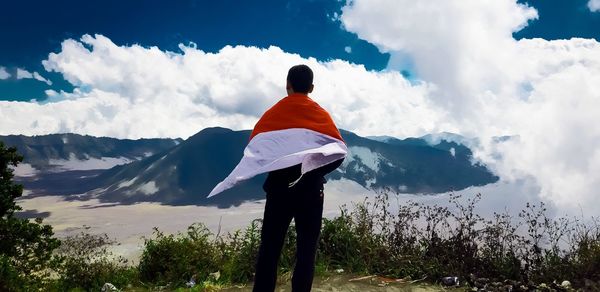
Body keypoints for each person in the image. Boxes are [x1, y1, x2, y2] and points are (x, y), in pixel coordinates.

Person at [251, 65, 344, 292]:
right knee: (306, 252)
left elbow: (257, 147)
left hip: (278, 190)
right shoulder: (320, 114)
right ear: (311, 87)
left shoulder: (273, 113)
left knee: (269, 250)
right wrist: (314, 171)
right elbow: (339, 152)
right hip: (311, 192)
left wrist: (278, 168)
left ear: (287, 86)